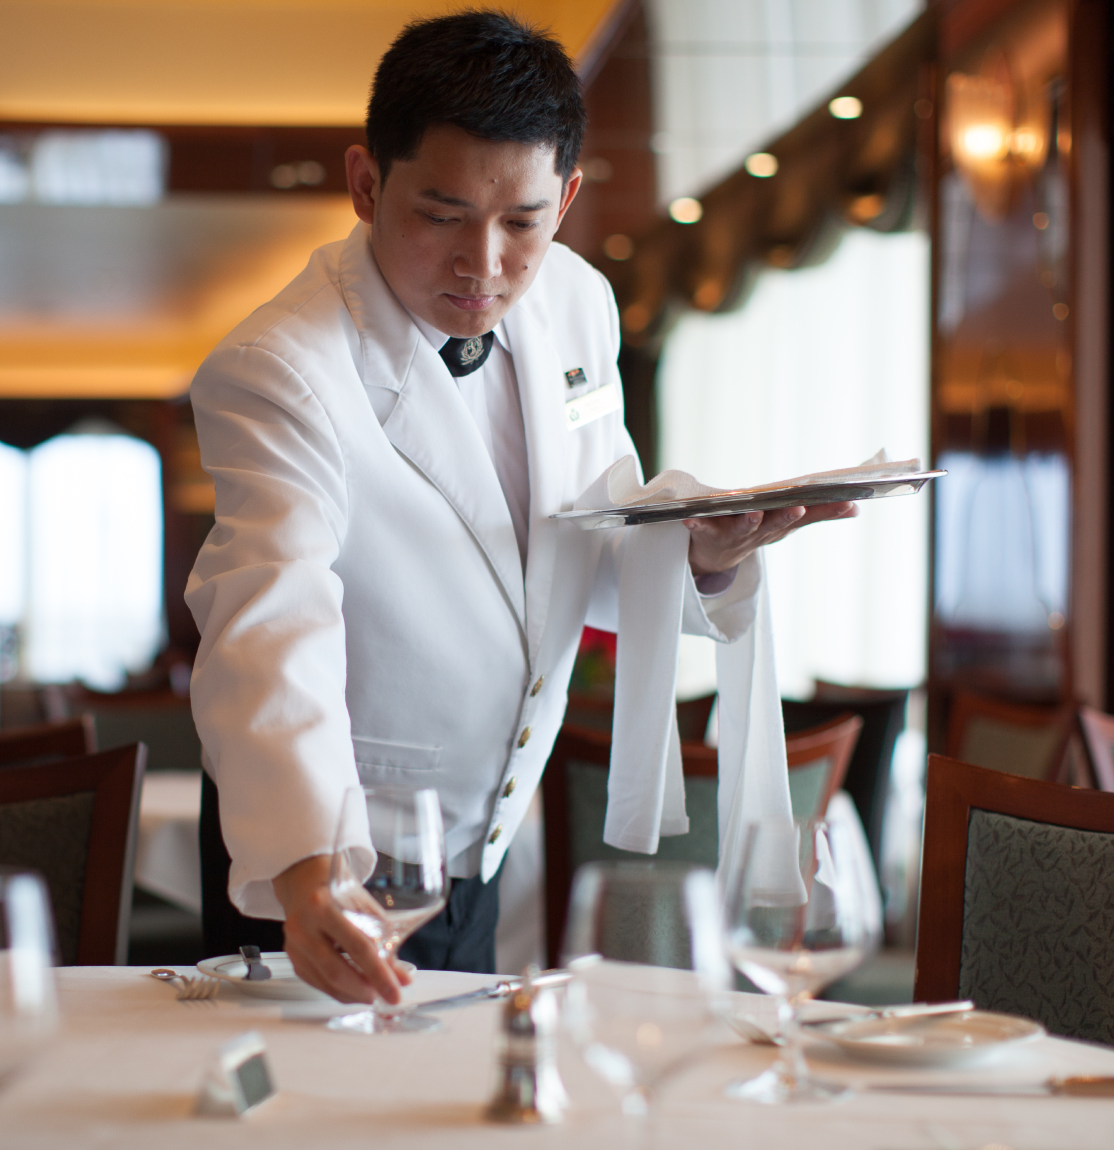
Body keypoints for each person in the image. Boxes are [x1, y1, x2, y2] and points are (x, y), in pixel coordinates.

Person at [185, 10, 853, 1006]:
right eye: (441, 214)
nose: (483, 265)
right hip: (319, 851)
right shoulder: (279, 368)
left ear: (567, 197)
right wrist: (311, 872)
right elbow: (267, 618)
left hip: (480, 843)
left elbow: (582, 530)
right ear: (365, 185)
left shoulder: (576, 303)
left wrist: (698, 552)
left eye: (522, 223)